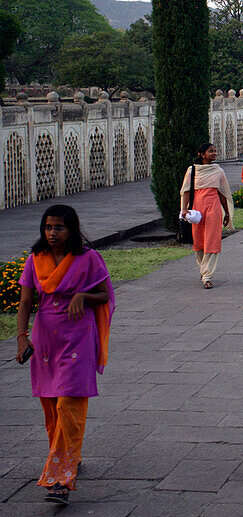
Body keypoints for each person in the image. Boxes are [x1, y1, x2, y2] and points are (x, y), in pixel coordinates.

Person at [15, 205, 115, 506]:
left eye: (59, 227)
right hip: (45, 341)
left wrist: (82, 296)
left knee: (69, 403)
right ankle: (69, 454)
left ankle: (60, 479)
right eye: (48, 227)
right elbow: (26, 302)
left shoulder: (88, 259)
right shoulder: (36, 259)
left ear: (71, 229)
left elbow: (104, 295)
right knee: (52, 408)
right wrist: (22, 338)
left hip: (78, 340)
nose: (52, 233)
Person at [180, 142, 233, 289]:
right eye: (211, 151)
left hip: (214, 208)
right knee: (198, 242)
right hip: (197, 210)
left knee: (212, 240)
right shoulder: (193, 171)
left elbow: (222, 193)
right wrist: (184, 210)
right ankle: (203, 268)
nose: (214, 153)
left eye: (215, 151)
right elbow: (185, 191)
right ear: (202, 154)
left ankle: (207, 275)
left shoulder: (218, 171)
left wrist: (227, 212)